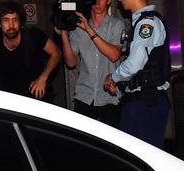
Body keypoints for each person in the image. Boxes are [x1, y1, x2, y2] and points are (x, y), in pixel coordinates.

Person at [103, 0, 171, 148]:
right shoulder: (144, 21)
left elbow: (135, 63)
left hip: (145, 103)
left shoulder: (147, 23)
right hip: (145, 101)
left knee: (141, 158)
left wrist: (113, 77)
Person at [60, 0, 126, 128]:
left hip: (109, 96)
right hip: (84, 95)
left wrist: (89, 30)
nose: (97, 1)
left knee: (110, 144)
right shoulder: (78, 27)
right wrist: (64, 33)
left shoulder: (116, 25)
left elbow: (114, 55)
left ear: (108, 1)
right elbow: (71, 63)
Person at [0, 1, 61, 101]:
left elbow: (56, 53)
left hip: (38, 99)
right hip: (11, 104)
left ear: (21, 23)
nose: (11, 25)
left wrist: (42, 78)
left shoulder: (33, 36)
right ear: (0, 24)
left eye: (15, 20)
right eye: (6, 20)